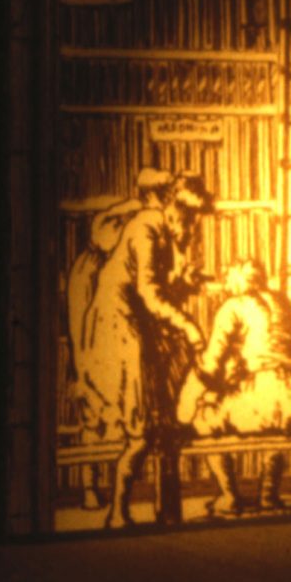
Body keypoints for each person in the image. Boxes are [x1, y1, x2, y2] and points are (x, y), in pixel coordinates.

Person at [70, 171, 210, 529]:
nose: (191, 227)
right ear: (174, 207)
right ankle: (117, 512)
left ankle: (125, 510)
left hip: (131, 325)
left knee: (149, 422)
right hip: (116, 326)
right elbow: (149, 292)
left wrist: (186, 283)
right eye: (189, 217)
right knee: (139, 428)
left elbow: (157, 285)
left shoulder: (158, 229)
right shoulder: (146, 227)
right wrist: (188, 325)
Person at [178, 260, 291, 517]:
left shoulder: (233, 306)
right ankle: (268, 495)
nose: (225, 285)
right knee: (275, 425)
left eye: (228, 279)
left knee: (203, 419)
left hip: (263, 393)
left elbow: (210, 365)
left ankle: (229, 496)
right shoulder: (281, 302)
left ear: (239, 280)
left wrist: (193, 394)